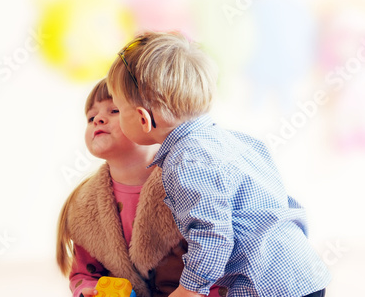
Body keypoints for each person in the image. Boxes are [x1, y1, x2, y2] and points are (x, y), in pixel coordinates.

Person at [106, 31, 331, 297]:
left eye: (118, 109)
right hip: (303, 270)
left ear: (143, 118)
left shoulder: (186, 162)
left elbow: (212, 236)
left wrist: (189, 290)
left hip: (264, 286)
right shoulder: (235, 141)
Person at [56, 79, 225, 297]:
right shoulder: (84, 206)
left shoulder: (186, 182)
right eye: (91, 117)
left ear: (147, 119)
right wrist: (89, 290)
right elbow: (83, 275)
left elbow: (217, 258)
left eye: (114, 110)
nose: (98, 119)